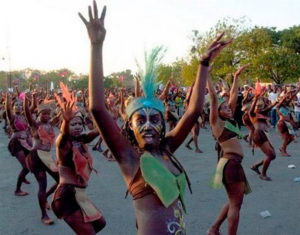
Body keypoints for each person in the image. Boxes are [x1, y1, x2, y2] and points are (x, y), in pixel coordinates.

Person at [79, 1, 229, 233]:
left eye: (155, 119)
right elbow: (97, 107)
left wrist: (203, 65)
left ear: (162, 125)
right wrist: (95, 46)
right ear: (130, 127)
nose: (148, 124)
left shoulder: (166, 149)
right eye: (141, 120)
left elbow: (193, 111)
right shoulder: (128, 157)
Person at [207, 64, 251, 235]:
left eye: (228, 107)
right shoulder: (217, 123)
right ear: (218, 112)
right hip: (230, 164)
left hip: (233, 164)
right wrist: (208, 76)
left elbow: (233, 95)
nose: (228, 109)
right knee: (235, 204)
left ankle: (214, 228)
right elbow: (213, 97)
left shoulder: (231, 122)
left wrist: (236, 77)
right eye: (224, 108)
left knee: (235, 201)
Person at [52, 98, 106, 234]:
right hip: (67, 196)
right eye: (73, 124)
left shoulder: (81, 139)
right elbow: (63, 134)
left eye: (79, 123)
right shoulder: (63, 143)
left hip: (80, 194)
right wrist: (66, 121)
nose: (77, 126)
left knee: (100, 224)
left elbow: (98, 131)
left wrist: (105, 116)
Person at [24, 95, 60, 225]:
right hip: (36, 157)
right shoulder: (35, 125)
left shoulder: (50, 124)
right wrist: (27, 101)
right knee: (42, 186)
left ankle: (45, 198)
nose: (46, 116)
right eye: (43, 113)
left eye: (48, 114)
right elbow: (27, 113)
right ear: (38, 114)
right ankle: (44, 216)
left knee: (61, 181)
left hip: (48, 157)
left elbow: (61, 115)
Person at [249, 87, 278, 181]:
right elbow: (251, 109)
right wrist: (256, 99)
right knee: (270, 155)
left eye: (261, 106)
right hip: (258, 135)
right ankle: (263, 174)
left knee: (272, 155)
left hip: (265, 134)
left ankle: (255, 166)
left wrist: (278, 100)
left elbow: (271, 106)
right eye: (258, 106)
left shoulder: (263, 112)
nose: (259, 107)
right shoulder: (252, 114)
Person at [5, 93, 32, 196]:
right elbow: (7, 109)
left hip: (25, 143)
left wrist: (29, 99)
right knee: (26, 167)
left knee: (29, 163)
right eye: (16, 105)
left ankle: (23, 177)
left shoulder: (23, 117)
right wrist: (7, 98)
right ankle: (17, 190)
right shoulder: (12, 117)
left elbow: (30, 108)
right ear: (13, 107)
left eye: (20, 105)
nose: (18, 106)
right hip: (16, 143)